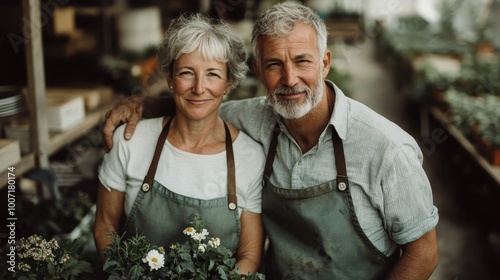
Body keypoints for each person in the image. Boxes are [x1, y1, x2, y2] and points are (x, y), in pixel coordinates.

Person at [102, 2, 439, 279]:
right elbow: (201, 103)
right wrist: (142, 104)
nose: (290, 79)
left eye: (302, 61)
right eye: (275, 64)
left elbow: (423, 251)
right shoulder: (253, 118)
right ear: (258, 70)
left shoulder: (385, 149)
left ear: (324, 63)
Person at [93, 13, 265, 275]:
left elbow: (250, 254)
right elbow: (105, 226)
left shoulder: (250, 157)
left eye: (212, 75)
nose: (199, 87)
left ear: (229, 83)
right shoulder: (130, 142)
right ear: (170, 78)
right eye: (187, 73)